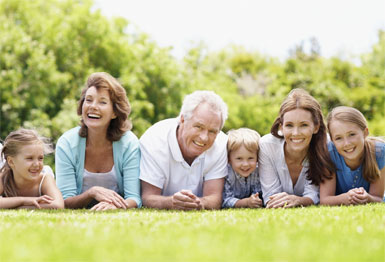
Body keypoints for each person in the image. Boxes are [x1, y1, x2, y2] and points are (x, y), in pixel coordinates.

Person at [55, 72, 141, 211]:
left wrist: (114, 205)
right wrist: (92, 192)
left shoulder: (129, 143)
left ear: (114, 112)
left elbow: (134, 198)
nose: (93, 106)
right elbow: (65, 200)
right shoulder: (67, 144)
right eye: (88, 100)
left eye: (102, 102)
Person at [140, 90, 228, 210]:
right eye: (198, 127)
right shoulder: (154, 140)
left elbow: (214, 198)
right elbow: (147, 197)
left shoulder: (221, 143)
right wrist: (170, 203)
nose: (204, 137)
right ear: (182, 119)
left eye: (212, 131)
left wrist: (199, 203)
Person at [258, 88, 334, 208]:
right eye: (289, 125)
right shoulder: (266, 146)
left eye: (303, 125)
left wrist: (299, 200)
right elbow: (271, 197)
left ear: (316, 127)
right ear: (281, 127)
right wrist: (283, 200)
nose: (296, 133)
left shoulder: (326, 144)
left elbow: (314, 194)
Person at [320, 106, 385, 205]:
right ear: (332, 141)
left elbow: (378, 198)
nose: (347, 143)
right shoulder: (329, 153)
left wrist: (367, 198)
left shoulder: (379, 151)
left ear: (365, 132)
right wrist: (345, 198)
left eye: (352, 134)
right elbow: (325, 200)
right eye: (338, 138)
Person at [0, 128, 64, 209]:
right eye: (29, 158)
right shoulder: (4, 178)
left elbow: (58, 205)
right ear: (11, 162)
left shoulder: (44, 179)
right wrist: (24, 200)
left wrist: (18, 207)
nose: (37, 164)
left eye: (40, 158)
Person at [222, 128, 263, 208]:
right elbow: (225, 201)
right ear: (229, 159)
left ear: (257, 157)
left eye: (250, 158)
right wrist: (246, 202)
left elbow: (261, 194)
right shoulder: (226, 173)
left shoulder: (259, 171)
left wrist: (256, 200)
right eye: (239, 159)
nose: (245, 164)